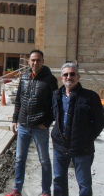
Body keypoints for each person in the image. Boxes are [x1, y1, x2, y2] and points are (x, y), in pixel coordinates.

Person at [6, 49, 58, 196]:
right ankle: (17, 190)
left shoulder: (50, 80)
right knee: (19, 159)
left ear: (43, 61)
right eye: (33, 60)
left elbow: (56, 104)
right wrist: (15, 119)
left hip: (40, 127)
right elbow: (18, 101)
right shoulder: (24, 77)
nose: (35, 62)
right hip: (23, 125)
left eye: (38, 60)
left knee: (44, 161)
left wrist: (47, 122)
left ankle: (46, 192)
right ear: (29, 61)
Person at [51, 63, 104, 196]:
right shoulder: (56, 95)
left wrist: (86, 138)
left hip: (82, 149)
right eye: (66, 74)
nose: (69, 77)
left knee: (84, 183)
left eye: (72, 74)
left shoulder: (90, 97)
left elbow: (99, 122)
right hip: (59, 147)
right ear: (61, 77)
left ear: (78, 76)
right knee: (58, 181)